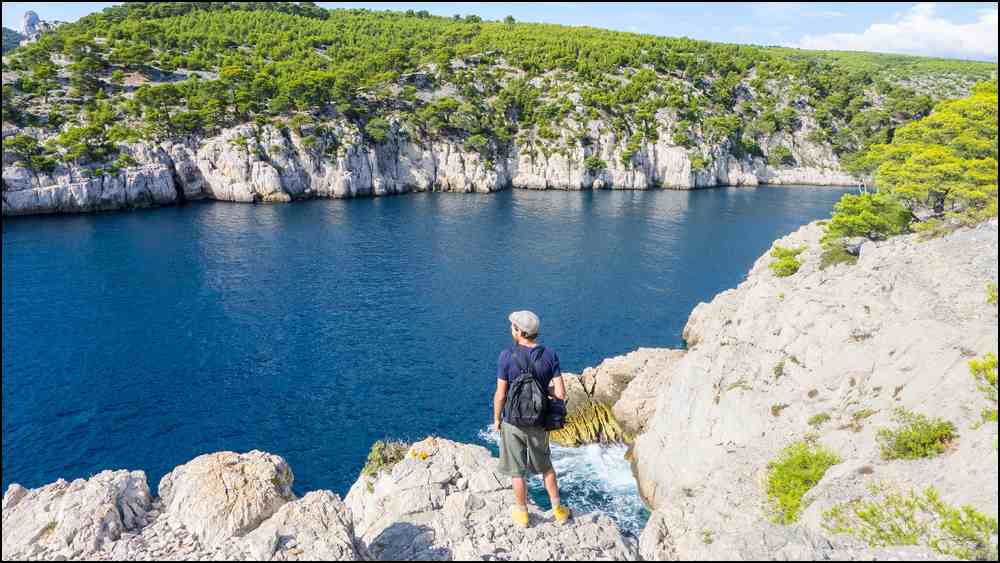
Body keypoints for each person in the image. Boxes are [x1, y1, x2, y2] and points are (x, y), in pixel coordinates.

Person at [493, 310, 572, 528]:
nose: (511, 329)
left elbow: (501, 393)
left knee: (517, 472)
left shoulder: (506, 356)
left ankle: (522, 514)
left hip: (513, 421)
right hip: (538, 422)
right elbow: (561, 393)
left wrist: (497, 419)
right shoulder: (550, 355)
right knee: (546, 468)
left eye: (513, 326)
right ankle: (558, 511)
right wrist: (541, 388)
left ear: (519, 331)